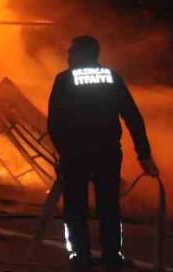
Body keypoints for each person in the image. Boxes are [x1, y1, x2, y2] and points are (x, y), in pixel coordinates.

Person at [47, 35, 158, 271]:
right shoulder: (112, 78)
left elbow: (54, 122)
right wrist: (144, 155)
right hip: (108, 153)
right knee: (109, 206)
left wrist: (63, 152)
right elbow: (133, 118)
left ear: (81, 54)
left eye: (71, 52)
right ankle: (113, 256)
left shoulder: (64, 80)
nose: (68, 56)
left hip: (75, 154)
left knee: (75, 208)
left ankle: (80, 257)